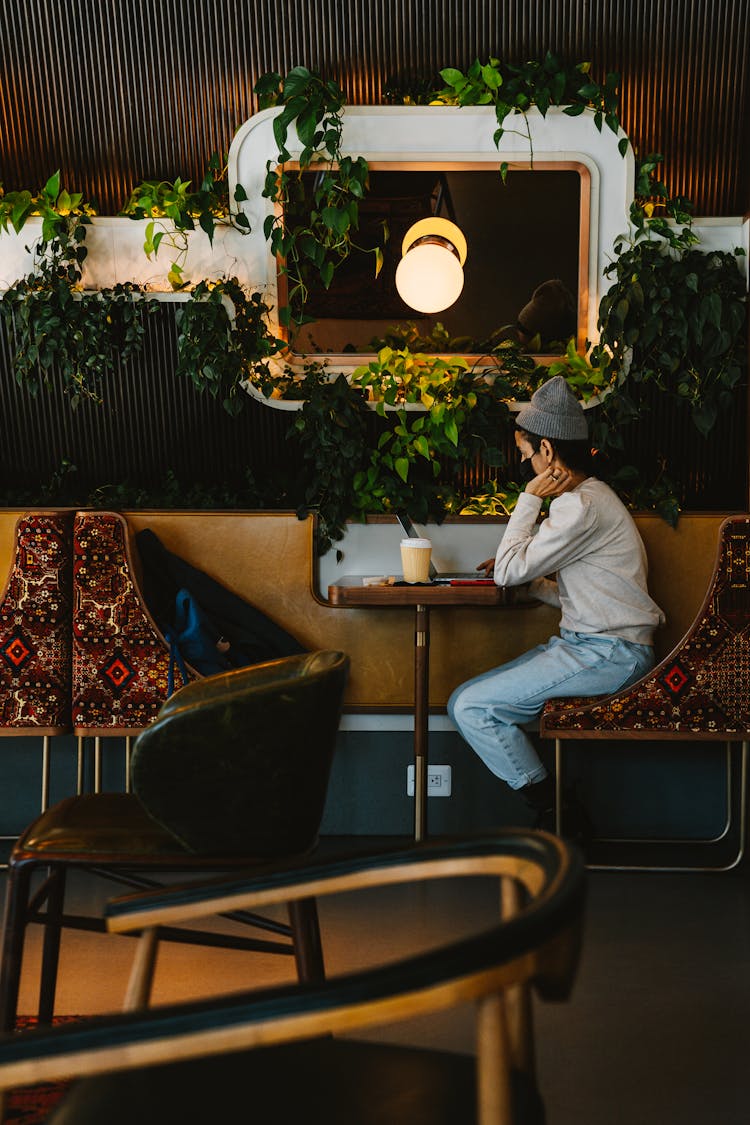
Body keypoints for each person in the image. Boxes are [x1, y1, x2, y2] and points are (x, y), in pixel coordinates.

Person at [447, 375, 665, 830]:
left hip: (609, 653)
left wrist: (527, 501)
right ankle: (557, 811)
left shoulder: (577, 507)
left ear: (547, 452)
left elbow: (509, 569)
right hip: (596, 646)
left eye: (526, 456)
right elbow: (592, 595)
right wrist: (534, 588)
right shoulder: (592, 499)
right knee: (464, 701)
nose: (526, 467)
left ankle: (559, 815)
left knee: (470, 707)